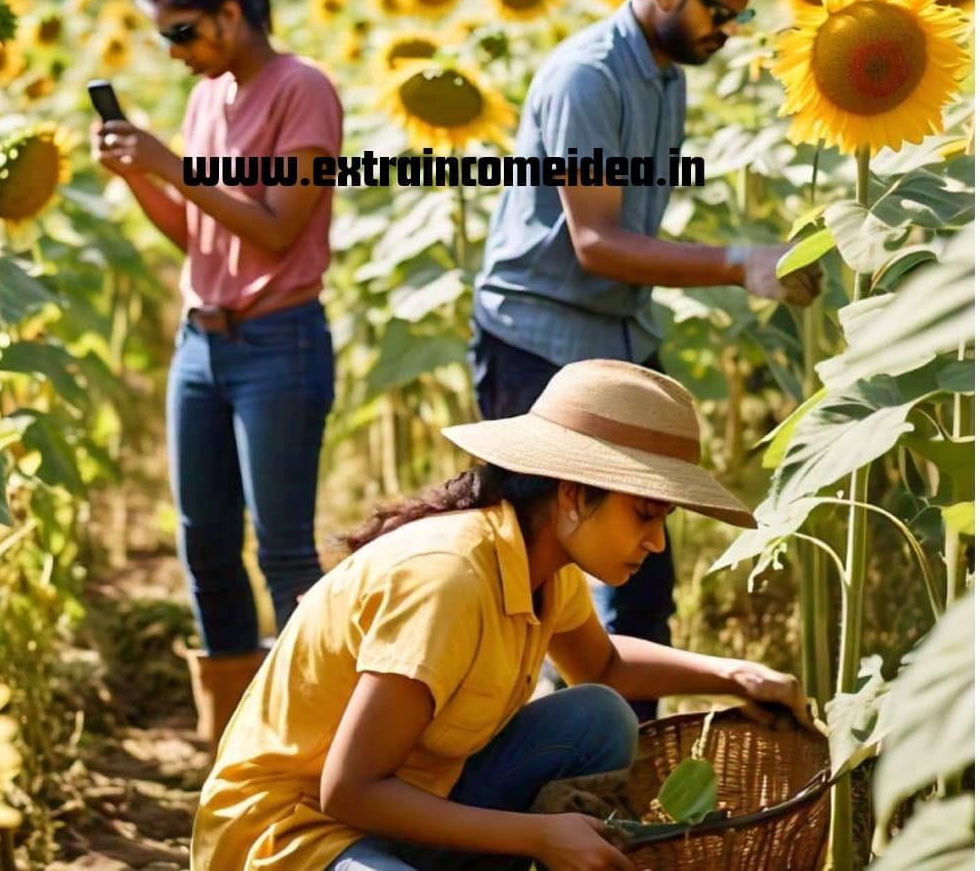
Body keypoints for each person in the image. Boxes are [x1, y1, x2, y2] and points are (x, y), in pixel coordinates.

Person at [191, 360, 811, 871]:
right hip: (294, 834)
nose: (655, 542)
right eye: (644, 514)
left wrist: (733, 674)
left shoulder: (544, 564)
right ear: (572, 495)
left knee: (597, 717)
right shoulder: (450, 580)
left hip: (405, 802)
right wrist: (537, 836)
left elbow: (607, 665)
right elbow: (347, 791)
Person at [470, 0, 823, 719]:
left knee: (644, 565)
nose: (725, 31)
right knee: (547, 574)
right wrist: (741, 264)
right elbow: (595, 241)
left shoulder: (666, 77)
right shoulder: (589, 76)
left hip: (620, 335)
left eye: (736, 16)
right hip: (539, 341)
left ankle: (625, 775)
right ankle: (551, 784)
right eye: (719, 12)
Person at [93, 0, 343, 747]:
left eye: (183, 33)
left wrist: (170, 164)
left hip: (279, 342)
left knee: (282, 550)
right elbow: (197, 234)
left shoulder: (301, 90)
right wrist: (143, 176)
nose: (176, 53)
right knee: (202, 542)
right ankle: (231, 741)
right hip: (200, 345)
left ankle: (316, 738)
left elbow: (278, 227)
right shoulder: (210, 97)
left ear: (232, 15)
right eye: (166, 38)